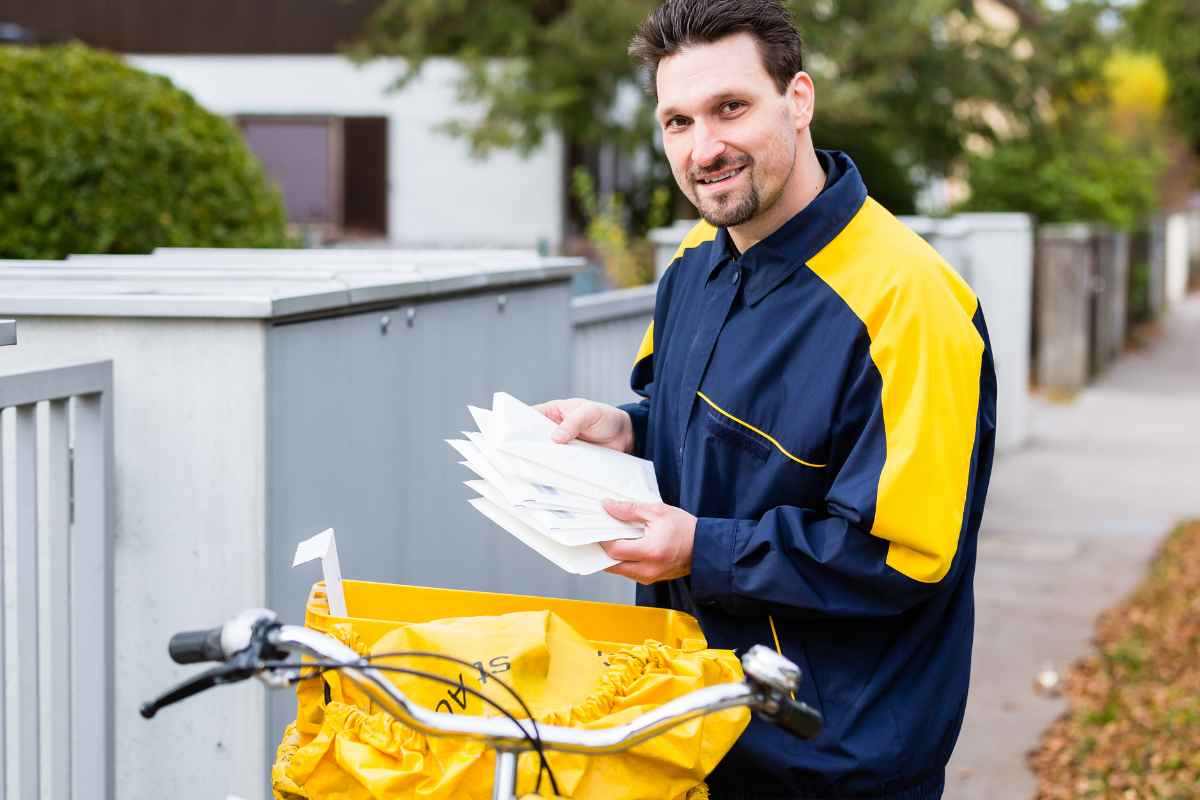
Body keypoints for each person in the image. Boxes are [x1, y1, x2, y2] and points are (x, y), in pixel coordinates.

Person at [538, 1, 997, 797]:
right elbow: (710, 435)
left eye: (730, 108)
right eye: (677, 121)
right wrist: (627, 429)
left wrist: (698, 549)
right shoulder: (693, 262)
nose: (704, 148)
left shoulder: (910, 301)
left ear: (799, 99)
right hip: (688, 725)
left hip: (830, 757)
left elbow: (900, 555)